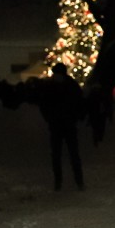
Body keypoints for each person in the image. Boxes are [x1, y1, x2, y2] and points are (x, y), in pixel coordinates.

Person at [38, 63, 85, 192]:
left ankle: (78, 181)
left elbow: (79, 103)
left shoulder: (69, 86)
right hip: (57, 124)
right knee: (57, 155)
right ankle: (59, 181)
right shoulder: (54, 86)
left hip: (67, 124)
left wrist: (74, 117)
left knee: (72, 154)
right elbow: (44, 104)